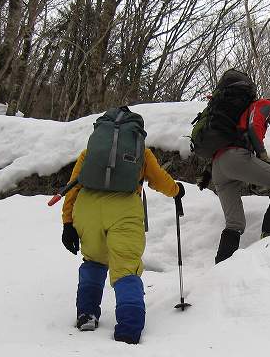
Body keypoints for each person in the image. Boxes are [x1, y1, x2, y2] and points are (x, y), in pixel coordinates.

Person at [60, 122, 184, 344]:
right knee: (126, 268)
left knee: (94, 261)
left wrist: (67, 223)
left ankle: (86, 314)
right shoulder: (141, 152)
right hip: (124, 210)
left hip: (87, 209)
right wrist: (176, 190)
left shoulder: (90, 151)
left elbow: (72, 186)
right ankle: (129, 328)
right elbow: (159, 179)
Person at [210, 87, 270, 264]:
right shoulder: (266, 104)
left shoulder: (243, 112)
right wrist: (263, 155)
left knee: (235, 224)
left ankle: (221, 266)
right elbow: (253, 126)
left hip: (218, 165)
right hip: (235, 158)